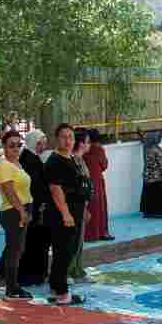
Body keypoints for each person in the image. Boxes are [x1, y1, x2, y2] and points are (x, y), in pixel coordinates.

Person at [44, 124, 90, 305]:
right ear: (57, 139)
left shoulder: (70, 158)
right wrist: (66, 214)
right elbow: (55, 189)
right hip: (63, 215)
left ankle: (57, 288)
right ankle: (63, 293)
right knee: (64, 252)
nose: (68, 140)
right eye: (63, 137)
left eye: (70, 137)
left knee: (64, 252)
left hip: (75, 212)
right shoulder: (55, 161)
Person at [0, 131, 35, 300]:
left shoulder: (16, 164)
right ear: (4, 146)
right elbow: (9, 191)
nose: (16, 148)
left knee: (17, 250)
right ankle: (11, 289)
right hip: (13, 212)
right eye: (11, 145)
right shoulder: (4, 166)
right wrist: (22, 211)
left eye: (19, 144)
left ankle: (13, 285)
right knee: (14, 251)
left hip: (19, 210)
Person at [18, 129, 51, 288]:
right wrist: (42, 203)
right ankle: (33, 275)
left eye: (44, 143)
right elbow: (36, 186)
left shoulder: (31, 158)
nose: (43, 146)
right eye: (40, 143)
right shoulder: (29, 160)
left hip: (36, 207)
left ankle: (36, 274)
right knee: (35, 242)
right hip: (36, 208)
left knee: (36, 242)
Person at [66, 131, 94, 282]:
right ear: (81, 143)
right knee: (73, 240)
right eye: (88, 142)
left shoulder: (81, 160)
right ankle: (68, 272)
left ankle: (77, 270)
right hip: (75, 207)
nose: (89, 145)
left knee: (79, 240)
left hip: (82, 205)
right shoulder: (74, 161)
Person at [83, 128, 114, 242]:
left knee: (89, 207)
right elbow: (104, 165)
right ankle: (101, 233)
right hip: (97, 181)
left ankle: (88, 234)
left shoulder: (84, 148)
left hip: (85, 180)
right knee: (99, 208)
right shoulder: (98, 149)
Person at [139, 131, 162, 219]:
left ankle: (147, 212)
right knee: (159, 196)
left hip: (147, 176)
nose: (159, 140)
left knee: (148, 195)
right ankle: (159, 213)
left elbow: (144, 139)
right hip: (157, 177)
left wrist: (141, 134)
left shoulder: (146, 147)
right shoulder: (157, 150)